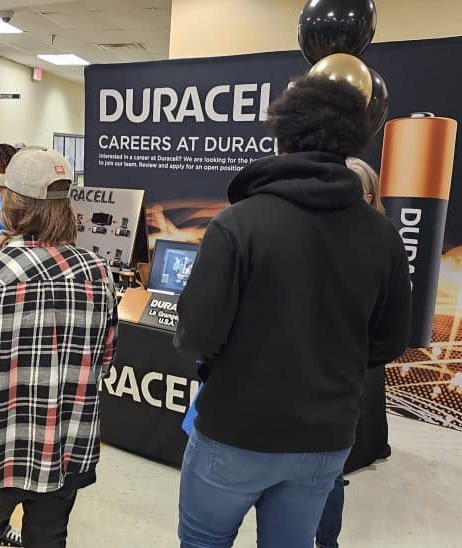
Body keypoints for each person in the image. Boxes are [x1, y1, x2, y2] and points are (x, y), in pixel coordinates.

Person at [173, 76, 411, 548]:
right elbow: (388, 343)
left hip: (236, 429)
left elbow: (197, 333)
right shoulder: (382, 235)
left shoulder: (238, 223)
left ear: (280, 137)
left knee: (203, 542)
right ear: (352, 141)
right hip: (326, 436)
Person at [0, 146, 119, 548]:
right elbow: (104, 360)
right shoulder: (99, 273)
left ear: (14, 203)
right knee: (49, 537)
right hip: (68, 441)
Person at [315, 157, 389, 548]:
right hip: (314, 371)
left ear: (368, 195)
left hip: (341, 374)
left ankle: (327, 542)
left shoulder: (379, 244)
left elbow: (388, 330)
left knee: (327, 472)